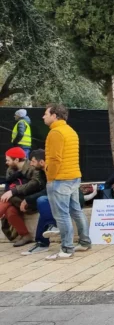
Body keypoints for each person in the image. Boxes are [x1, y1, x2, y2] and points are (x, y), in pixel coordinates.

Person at [42, 103, 92, 260]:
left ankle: (67, 248)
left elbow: (55, 159)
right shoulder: (71, 131)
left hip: (60, 178)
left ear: (55, 116)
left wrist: (50, 176)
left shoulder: (55, 133)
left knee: (62, 215)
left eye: (46, 113)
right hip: (73, 176)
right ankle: (84, 242)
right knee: (76, 210)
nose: (43, 116)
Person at [0, 147, 43, 247]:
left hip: (31, 200)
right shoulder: (10, 170)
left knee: (7, 199)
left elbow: (36, 183)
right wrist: (11, 192)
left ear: (16, 160)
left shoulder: (32, 167)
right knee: (10, 212)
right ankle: (25, 235)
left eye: (8, 160)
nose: (6, 162)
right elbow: (8, 187)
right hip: (16, 201)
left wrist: (14, 191)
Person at [18, 149, 57, 256]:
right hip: (53, 199)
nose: (30, 163)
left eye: (33, 161)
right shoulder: (41, 172)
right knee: (43, 206)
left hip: (65, 198)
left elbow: (50, 189)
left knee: (42, 201)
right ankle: (44, 237)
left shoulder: (53, 170)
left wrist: (27, 199)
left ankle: (43, 241)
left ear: (42, 162)